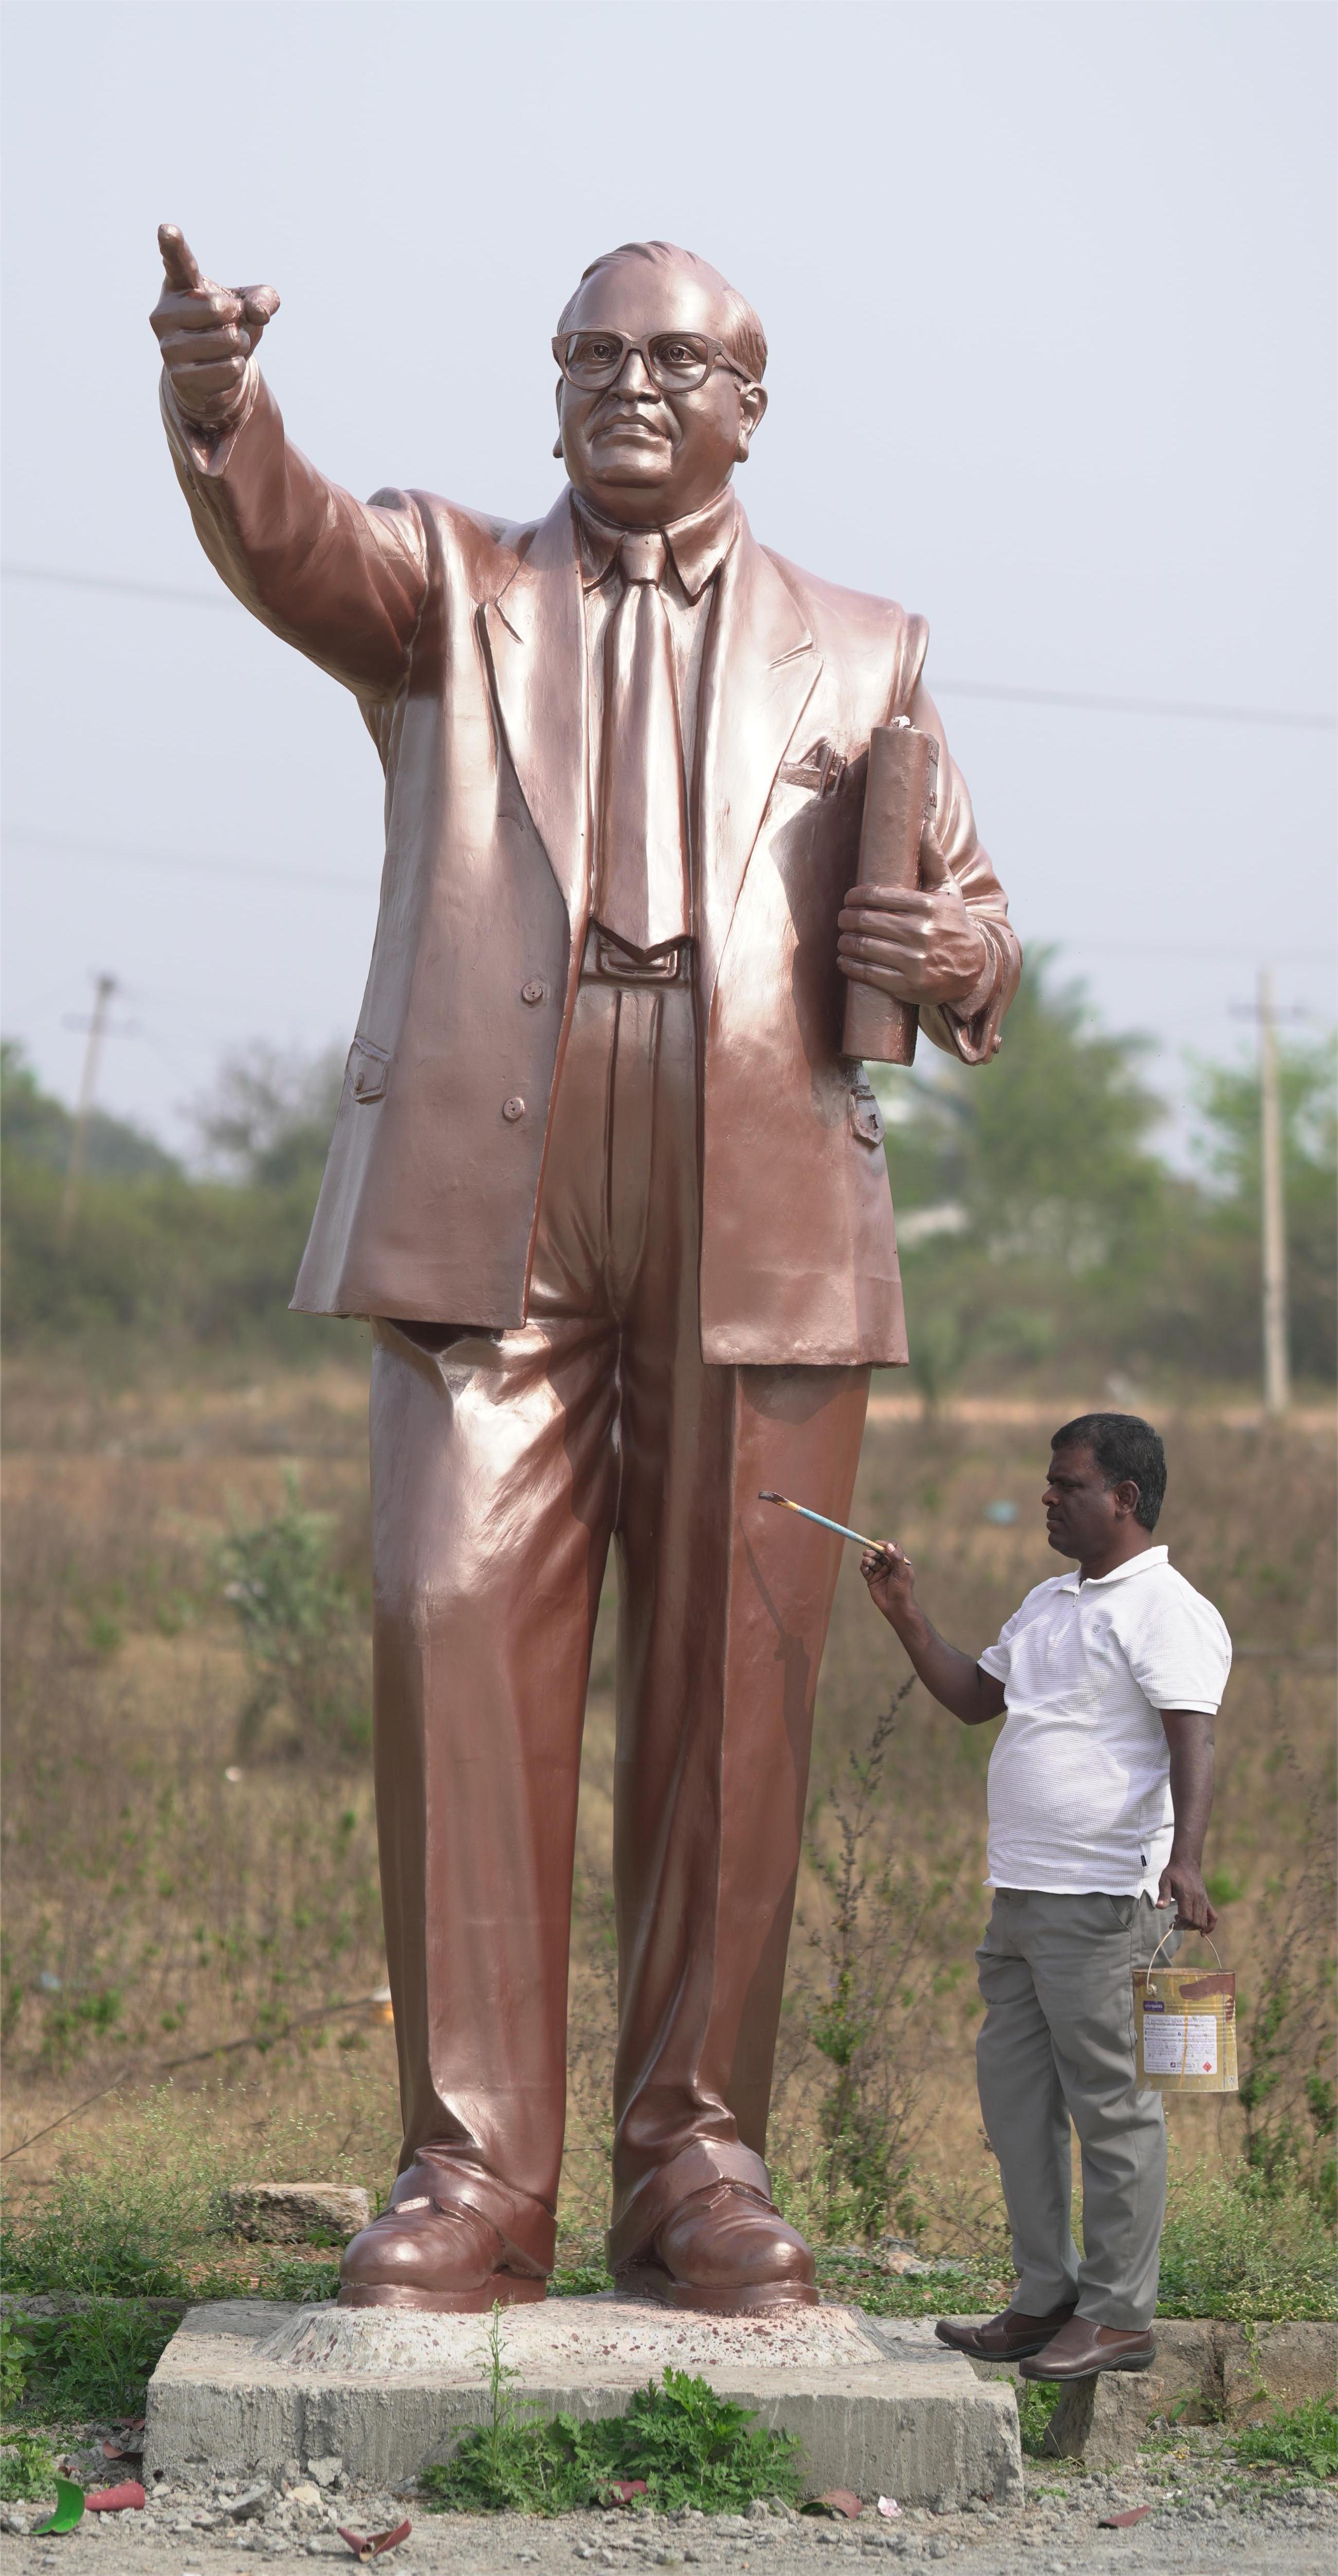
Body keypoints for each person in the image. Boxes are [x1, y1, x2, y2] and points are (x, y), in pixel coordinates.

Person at [151, 228, 1021, 2314]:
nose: (631, 383)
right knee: (456, 1633)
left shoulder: (866, 648)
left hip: (764, 1197)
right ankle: (471, 2169)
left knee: (736, 1690)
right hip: (498, 1188)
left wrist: (953, 950)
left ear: (748, 400)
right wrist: (218, 407)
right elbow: (295, 552)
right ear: (555, 387)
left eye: (675, 355)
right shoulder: (454, 587)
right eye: (592, 353)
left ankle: (694, 2161)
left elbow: (987, 923)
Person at [860, 1412, 1230, 2380]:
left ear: (1125, 1499)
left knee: (1117, 2111)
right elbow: (978, 1698)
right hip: (1021, 1899)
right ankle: (1045, 2295)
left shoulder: (1168, 1608)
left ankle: (1120, 2315)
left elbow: (1193, 1737)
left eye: (1067, 1484)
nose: (1048, 1498)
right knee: (1017, 2105)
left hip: (1113, 1904)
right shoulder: (1049, 1602)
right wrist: (906, 1614)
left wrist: (1185, 1861)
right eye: (1050, 1480)